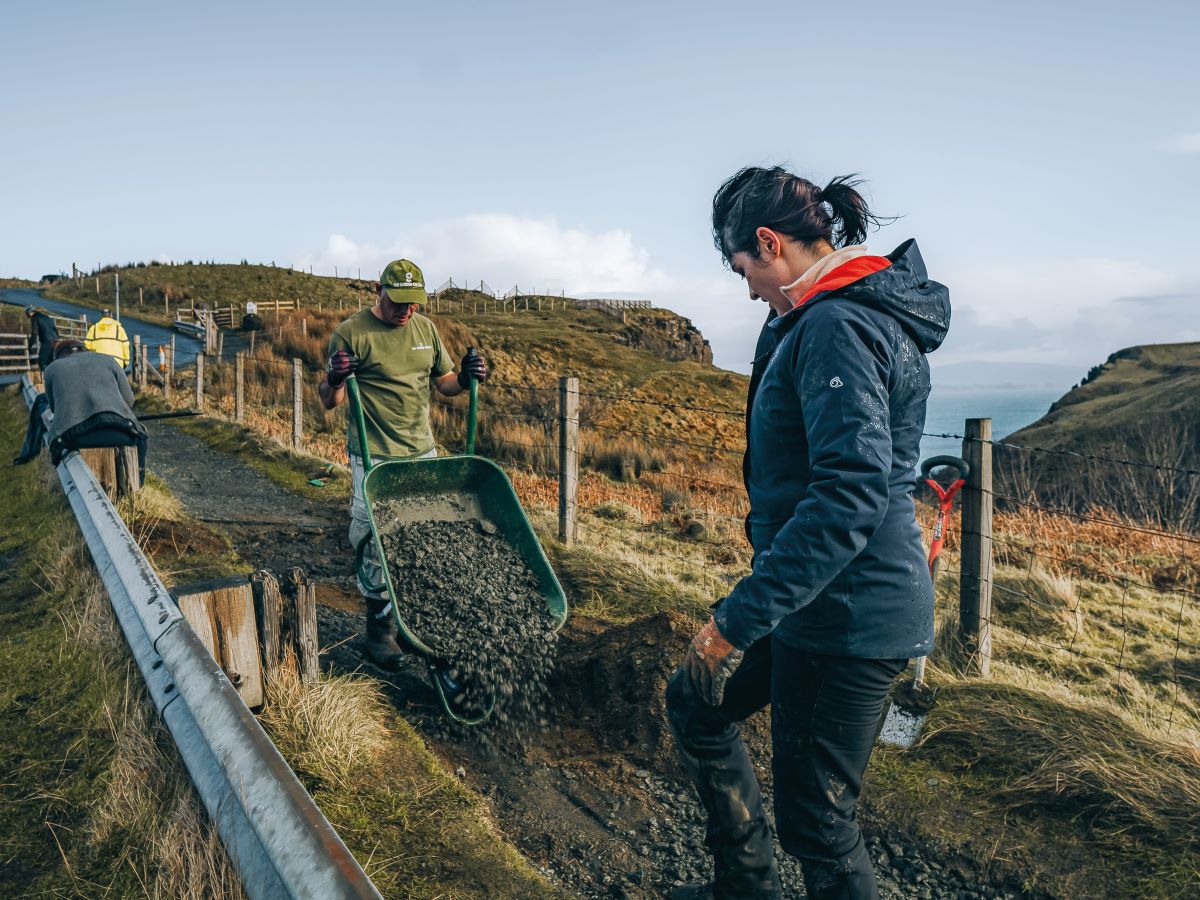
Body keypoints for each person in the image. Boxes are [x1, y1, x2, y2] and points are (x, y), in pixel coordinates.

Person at [666, 166, 950, 900]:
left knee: (820, 824)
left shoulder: (837, 324)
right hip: (812, 602)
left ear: (769, 242)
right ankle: (747, 886)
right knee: (694, 699)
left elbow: (848, 497)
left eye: (744, 269)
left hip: (853, 613)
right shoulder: (822, 311)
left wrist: (732, 623)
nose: (748, 289)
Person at [318, 259, 488, 670]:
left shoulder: (425, 330)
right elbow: (328, 400)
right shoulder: (352, 333)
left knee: (422, 536)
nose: (406, 311)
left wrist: (466, 378)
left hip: (421, 453)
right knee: (373, 539)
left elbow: (444, 382)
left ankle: (416, 622)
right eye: (399, 303)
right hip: (374, 456)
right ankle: (379, 630)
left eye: (414, 304)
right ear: (379, 290)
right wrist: (336, 377)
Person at [40, 340, 147, 475]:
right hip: (118, 430)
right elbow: (129, 400)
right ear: (84, 349)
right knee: (141, 435)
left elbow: (55, 408)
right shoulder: (108, 360)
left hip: (73, 436)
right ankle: (138, 482)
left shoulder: (52, 369)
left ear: (59, 355)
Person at [25, 306, 59, 371]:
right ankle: (54, 378)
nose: (29, 318)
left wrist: (32, 344)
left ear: (29, 313)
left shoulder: (34, 318)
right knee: (51, 361)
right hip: (56, 341)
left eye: (28, 316)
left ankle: (46, 379)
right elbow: (56, 330)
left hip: (47, 342)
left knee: (42, 362)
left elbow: (34, 332)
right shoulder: (47, 317)